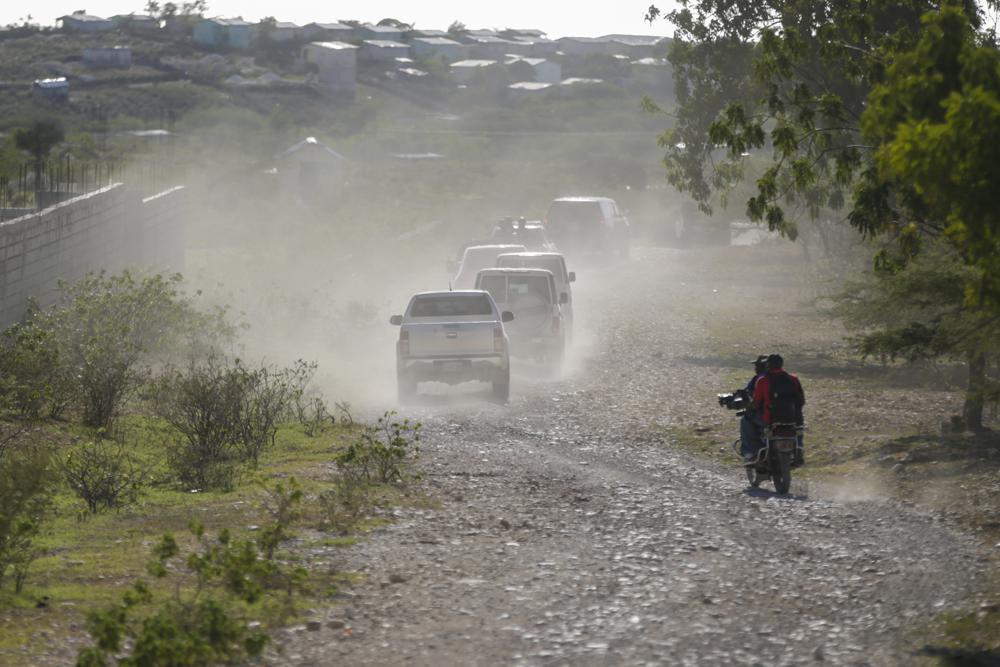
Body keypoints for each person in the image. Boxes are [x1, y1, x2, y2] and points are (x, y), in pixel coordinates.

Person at [751, 354, 806, 466]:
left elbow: (756, 403)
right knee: (798, 428)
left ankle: (753, 452)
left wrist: (750, 406)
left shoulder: (763, 381)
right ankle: (799, 448)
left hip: (771, 419)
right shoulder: (794, 379)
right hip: (793, 419)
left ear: (768, 365)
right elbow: (801, 401)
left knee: (749, 421)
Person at [739, 355, 769, 463]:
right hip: (788, 417)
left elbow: (753, 400)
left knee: (746, 420)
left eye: (757, 366)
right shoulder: (787, 377)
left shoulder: (759, 379)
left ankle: (751, 451)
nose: (755, 368)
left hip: (766, 416)